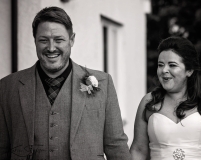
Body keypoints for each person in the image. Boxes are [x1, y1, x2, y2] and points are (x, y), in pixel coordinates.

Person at [0, 6, 131, 160]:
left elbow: (116, 146)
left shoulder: (103, 83)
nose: (50, 48)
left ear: (72, 39)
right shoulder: (7, 87)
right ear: (34, 40)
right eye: (43, 40)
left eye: (58, 40)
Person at [130, 36, 201, 160]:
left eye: (172, 65)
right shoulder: (148, 101)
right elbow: (138, 149)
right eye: (160, 65)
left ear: (189, 70)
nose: (164, 70)